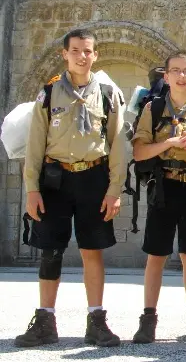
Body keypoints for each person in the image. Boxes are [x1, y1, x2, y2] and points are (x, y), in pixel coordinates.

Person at [16, 29, 126, 348]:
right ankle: (46, 321)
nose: (81, 56)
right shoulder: (49, 93)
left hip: (93, 178)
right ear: (65, 54)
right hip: (55, 180)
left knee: (92, 250)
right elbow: (35, 143)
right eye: (75, 50)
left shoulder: (107, 93)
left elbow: (118, 143)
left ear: (95, 55)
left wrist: (114, 190)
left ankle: (96, 321)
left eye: (87, 51)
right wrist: (31, 190)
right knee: (50, 251)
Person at [130, 51, 186, 344]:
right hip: (163, 188)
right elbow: (139, 151)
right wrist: (168, 142)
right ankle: (148, 320)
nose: (182, 76)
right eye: (176, 71)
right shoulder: (153, 109)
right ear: (166, 76)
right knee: (156, 255)